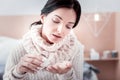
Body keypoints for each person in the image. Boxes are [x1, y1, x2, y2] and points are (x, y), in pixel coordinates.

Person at [3, 0, 84, 80]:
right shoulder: (20, 48)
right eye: (56, 21)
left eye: (68, 26)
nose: (60, 30)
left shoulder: (76, 48)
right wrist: (18, 72)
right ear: (43, 18)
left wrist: (67, 74)